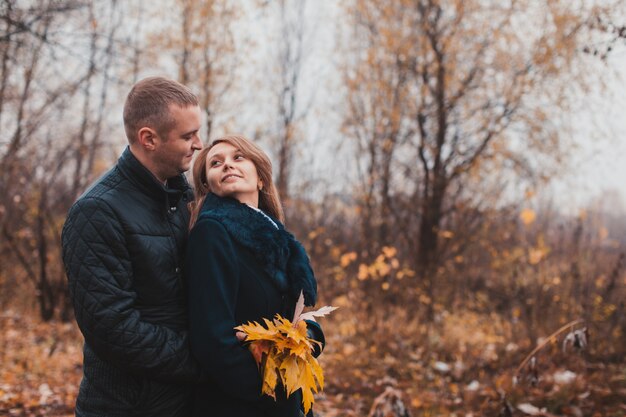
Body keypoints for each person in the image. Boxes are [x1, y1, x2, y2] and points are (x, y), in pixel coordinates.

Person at [61, 76, 204, 417]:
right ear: (148, 139)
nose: (199, 144)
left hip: (183, 400)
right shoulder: (97, 211)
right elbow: (114, 330)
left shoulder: (182, 195)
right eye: (188, 135)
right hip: (127, 407)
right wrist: (206, 359)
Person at [186, 135, 325, 417]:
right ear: (208, 184)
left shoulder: (278, 240)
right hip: (242, 404)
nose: (227, 165)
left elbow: (298, 323)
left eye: (238, 157)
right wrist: (270, 395)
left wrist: (307, 336)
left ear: (261, 178)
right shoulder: (211, 234)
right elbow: (212, 341)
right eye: (216, 163)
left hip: (286, 397)